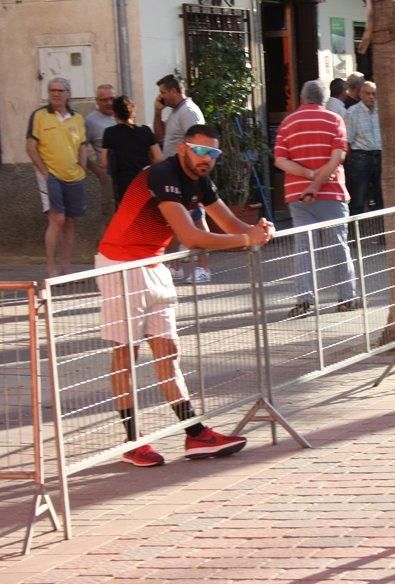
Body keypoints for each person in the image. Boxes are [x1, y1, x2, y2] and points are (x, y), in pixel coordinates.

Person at [96, 124, 275, 467]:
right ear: (183, 149)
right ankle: (133, 442)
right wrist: (246, 239)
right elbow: (191, 237)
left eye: (214, 153)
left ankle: (194, 434)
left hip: (152, 264)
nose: (207, 159)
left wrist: (259, 230)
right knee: (126, 353)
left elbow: (229, 224)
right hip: (119, 264)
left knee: (168, 350)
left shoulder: (201, 180)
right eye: (201, 151)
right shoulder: (162, 174)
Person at [274, 80, 359, 318]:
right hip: (331, 192)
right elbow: (337, 158)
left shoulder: (287, 123)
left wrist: (309, 178)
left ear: (302, 98)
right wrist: (318, 182)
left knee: (304, 247)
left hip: (298, 194)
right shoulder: (334, 121)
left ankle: (305, 299)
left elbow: (280, 161)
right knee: (338, 245)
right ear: (324, 99)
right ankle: (347, 297)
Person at [25, 77, 88, 278]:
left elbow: (82, 146)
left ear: (68, 94)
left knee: (69, 222)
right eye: (52, 90)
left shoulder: (77, 118)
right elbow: (31, 147)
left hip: (74, 176)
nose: (56, 94)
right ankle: (51, 269)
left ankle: (66, 268)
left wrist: (83, 169)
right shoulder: (39, 116)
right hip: (51, 175)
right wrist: (44, 172)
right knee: (57, 219)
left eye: (60, 90)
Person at [153, 74, 211, 284]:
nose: (161, 97)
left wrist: (193, 174)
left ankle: (203, 267)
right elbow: (159, 136)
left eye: (163, 93)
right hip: (174, 174)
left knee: (196, 218)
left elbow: (199, 144)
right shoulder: (176, 112)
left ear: (174, 91)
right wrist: (157, 111)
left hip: (188, 175)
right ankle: (174, 266)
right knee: (174, 221)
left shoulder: (189, 112)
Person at [100, 95, 163, 205]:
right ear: (133, 111)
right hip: (144, 180)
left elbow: (103, 162)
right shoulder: (145, 130)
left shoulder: (109, 132)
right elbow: (159, 158)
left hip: (123, 183)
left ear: (115, 113)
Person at [344, 81, 383, 215]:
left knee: (381, 196)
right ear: (360, 94)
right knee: (358, 199)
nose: (371, 97)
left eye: (374, 94)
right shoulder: (352, 112)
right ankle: (356, 232)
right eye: (367, 94)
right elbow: (347, 141)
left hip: (379, 155)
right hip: (360, 157)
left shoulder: (381, 110)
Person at [85, 84, 117, 219]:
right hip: (109, 175)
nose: (109, 102)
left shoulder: (122, 114)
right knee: (110, 215)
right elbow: (80, 150)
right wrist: (98, 171)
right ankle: (106, 240)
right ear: (97, 101)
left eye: (111, 98)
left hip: (128, 173)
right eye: (104, 99)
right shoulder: (90, 121)